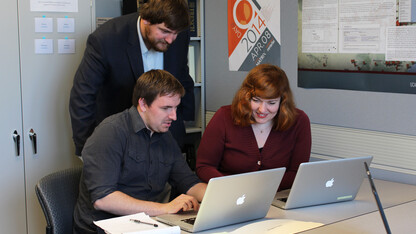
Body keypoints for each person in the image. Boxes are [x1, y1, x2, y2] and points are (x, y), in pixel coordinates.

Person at [73, 70, 206, 234]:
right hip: (104, 227)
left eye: (176, 108)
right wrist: (166, 208)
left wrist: (219, 199)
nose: (174, 116)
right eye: (166, 108)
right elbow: (103, 199)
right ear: (143, 104)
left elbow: (188, 181)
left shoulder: (165, 136)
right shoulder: (111, 132)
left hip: (149, 224)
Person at [69, 0, 194, 156]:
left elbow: (182, 76)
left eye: (175, 33)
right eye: (165, 31)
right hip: (120, 143)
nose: (171, 40)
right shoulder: (106, 40)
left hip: (166, 141)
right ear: (146, 20)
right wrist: (86, 148)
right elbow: (82, 96)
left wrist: (184, 119)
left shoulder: (178, 35)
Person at [196, 64, 311, 190]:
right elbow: (204, 166)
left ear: (283, 101)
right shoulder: (224, 116)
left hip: (276, 199)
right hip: (230, 195)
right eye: (256, 100)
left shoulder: (299, 121)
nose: (262, 109)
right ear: (246, 96)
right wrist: (232, 187)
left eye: (271, 103)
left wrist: (260, 188)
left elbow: (298, 173)